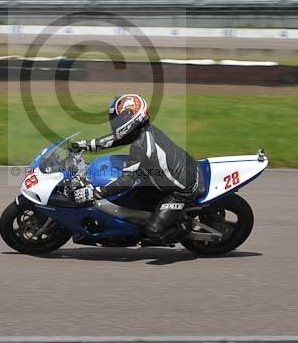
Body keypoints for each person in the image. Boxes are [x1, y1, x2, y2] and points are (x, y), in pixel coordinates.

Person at [70, 94, 204, 245]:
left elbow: (129, 179)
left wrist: (96, 193)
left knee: (152, 232)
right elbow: (117, 139)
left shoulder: (141, 145)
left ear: (131, 120)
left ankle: (184, 226)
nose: (114, 121)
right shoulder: (140, 131)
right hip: (170, 174)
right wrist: (87, 145)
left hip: (182, 190)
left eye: (118, 118)